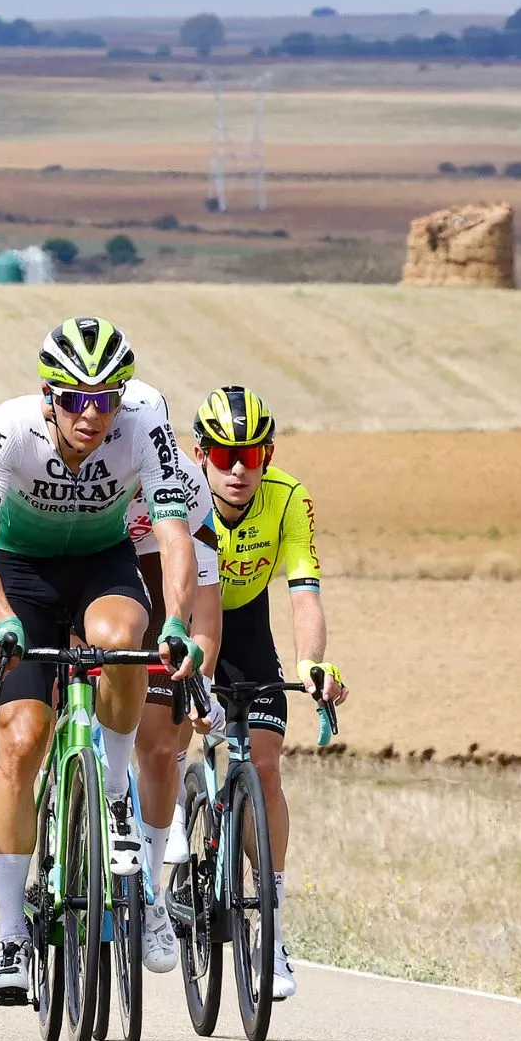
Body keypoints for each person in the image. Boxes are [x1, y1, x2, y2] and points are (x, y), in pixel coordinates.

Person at [0, 317, 203, 1004]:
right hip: (22, 570)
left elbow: (174, 534)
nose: (92, 414)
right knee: (22, 737)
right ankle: (10, 935)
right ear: (48, 396)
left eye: (106, 399)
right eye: (76, 399)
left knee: (127, 639)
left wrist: (178, 619)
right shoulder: (6, 428)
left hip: (100, 561)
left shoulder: (146, 418)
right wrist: (1, 619)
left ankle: (115, 799)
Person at [183, 384, 347, 1000]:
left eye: (250, 457)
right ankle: (167, 817)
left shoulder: (287, 498)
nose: (236, 470)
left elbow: (305, 590)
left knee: (267, 767)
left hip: (247, 626)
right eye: (223, 457)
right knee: (171, 726)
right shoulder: (183, 494)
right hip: (183, 618)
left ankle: (270, 929)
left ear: (269, 456)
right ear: (200, 454)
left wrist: (312, 663)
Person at [118, 377, 225, 974]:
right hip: (94, 571)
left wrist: (197, 672)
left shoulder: (186, 485)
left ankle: (150, 893)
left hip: (163, 578)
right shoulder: (82, 466)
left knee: (160, 749)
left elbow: (204, 605)